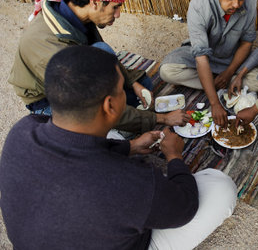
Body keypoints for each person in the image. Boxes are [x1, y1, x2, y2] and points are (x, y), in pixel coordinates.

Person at [0, 46, 237, 250]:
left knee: (112, 136)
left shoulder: (22, 131)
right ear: (110, 105)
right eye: (122, 89)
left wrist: (130, 146)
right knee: (221, 186)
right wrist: (175, 157)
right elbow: (184, 209)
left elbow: (75, 151)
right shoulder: (130, 182)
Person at [8, 0, 189, 133]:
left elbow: (98, 52)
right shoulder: (51, 49)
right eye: (115, 7)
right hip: (49, 101)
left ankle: (125, 114)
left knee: (143, 85)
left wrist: (132, 84)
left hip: (79, 69)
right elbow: (95, 108)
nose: (118, 15)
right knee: (99, 135)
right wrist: (161, 119)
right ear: (95, 2)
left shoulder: (78, 13)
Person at [159, 0, 257, 126]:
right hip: (201, 57)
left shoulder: (251, 3)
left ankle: (216, 81)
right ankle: (217, 87)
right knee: (167, 71)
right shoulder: (199, 5)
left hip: (230, 59)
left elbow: (247, 43)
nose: (236, 5)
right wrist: (214, 103)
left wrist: (229, 72)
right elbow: (201, 57)